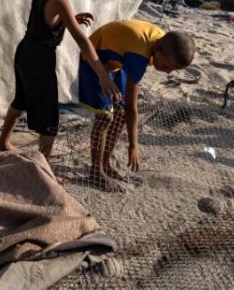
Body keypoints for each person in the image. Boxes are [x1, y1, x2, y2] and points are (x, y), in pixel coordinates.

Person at [0, 0, 122, 159]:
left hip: (25, 51)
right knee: (49, 118)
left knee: (22, 99)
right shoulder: (60, 0)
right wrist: (103, 75)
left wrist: (72, 18)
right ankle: (43, 168)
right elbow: (82, 40)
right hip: (39, 59)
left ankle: (2, 141)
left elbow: (45, 18)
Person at [79, 20, 195, 191]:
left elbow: (126, 109)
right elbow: (132, 108)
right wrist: (134, 145)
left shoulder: (161, 40)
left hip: (116, 63)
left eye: (172, 70)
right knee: (104, 117)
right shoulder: (139, 56)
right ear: (158, 49)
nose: (168, 72)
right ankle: (96, 172)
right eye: (166, 66)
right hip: (93, 60)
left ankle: (105, 163)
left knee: (120, 114)